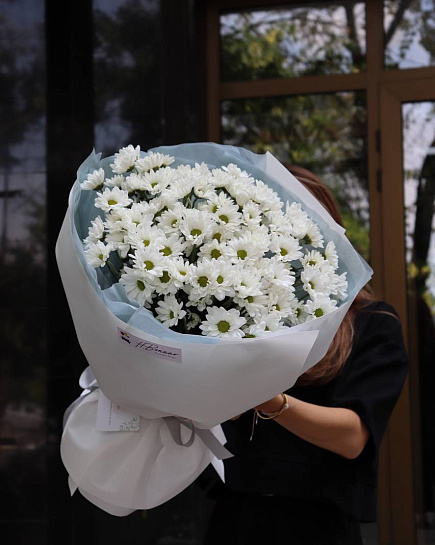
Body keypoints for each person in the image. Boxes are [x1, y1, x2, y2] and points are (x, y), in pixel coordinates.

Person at [202, 165, 409, 545]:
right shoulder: (230, 316)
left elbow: (352, 436)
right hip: (235, 517)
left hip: (318, 525)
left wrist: (267, 399)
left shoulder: (371, 324)